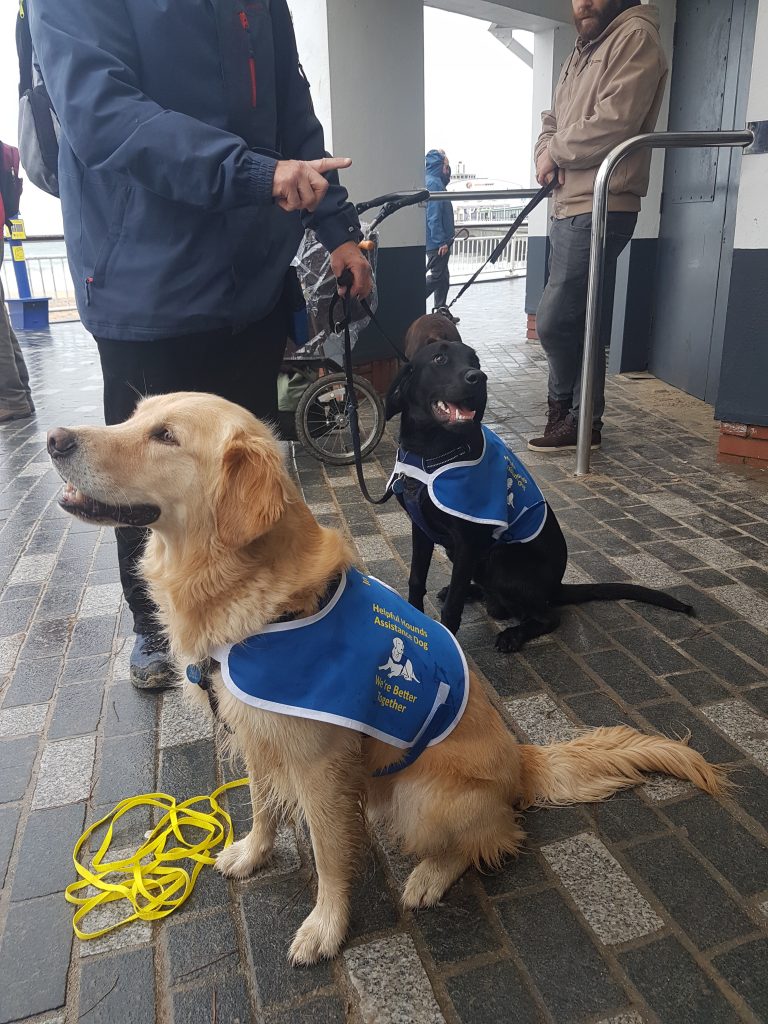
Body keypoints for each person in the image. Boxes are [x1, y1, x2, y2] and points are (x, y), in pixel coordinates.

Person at [29, 0, 372, 689]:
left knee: (244, 480)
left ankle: (252, 622)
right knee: (138, 477)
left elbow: (294, 116)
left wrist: (338, 227)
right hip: (143, 284)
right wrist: (251, 173)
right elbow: (100, 113)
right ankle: (158, 629)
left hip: (250, 285)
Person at [528, 0, 667, 453]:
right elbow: (552, 120)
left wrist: (557, 153)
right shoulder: (580, 49)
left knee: (554, 320)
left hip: (602, 201)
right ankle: (576, 418)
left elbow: (615, 121)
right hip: (568, 203)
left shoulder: (635, 37)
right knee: (577, 317)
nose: (583, 2)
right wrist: (544, 152)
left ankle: (573, 414)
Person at [424, 149, 459, 324]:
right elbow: (434, 215)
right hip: (436, 242)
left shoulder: (432, 181)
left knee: (443, 276)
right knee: (437, 276)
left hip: (438, 240)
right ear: (440, 166)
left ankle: (441, 311)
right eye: (447, 165)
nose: (449, 169)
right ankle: (414, 298)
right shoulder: (435, 185)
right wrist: (440, 241)